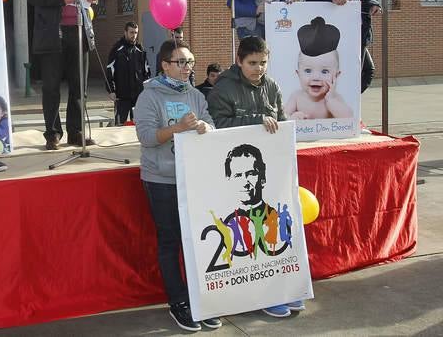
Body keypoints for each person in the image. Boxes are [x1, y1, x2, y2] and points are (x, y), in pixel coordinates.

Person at [207, 36, 306, 317]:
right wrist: (255, 122)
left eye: (263, 62)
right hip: (237, 182)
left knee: (274, 236)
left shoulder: (272, 86)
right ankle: (258, 296)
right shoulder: (223, 89)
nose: (258, 68)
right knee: (248, 239)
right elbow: (217, 125)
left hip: (269, 176)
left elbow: (283, 122)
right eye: (252, 63)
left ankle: (280, 290)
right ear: (239, 61)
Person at [134, 39, 220, 332]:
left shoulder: (195, 95)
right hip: (161, 179)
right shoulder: (149, 97)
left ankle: (199, 298)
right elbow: (146, 137)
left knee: (197, 241)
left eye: (191, 62)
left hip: (192, 176)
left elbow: (211, 124)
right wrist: (178, 128)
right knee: (170, 240)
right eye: (181, 62)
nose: (188, 68)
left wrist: (205, 128)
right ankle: (179, 301)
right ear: (165, 65)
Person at [24, 0, 100, 150]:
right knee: (51, 87)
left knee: (79, 88)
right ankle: (53, 134)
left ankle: (76, 133)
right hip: (52, 32)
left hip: (79, 30)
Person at [285, 17, 353, 119]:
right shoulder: (297, 97)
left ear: (336, 75)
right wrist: (292, 118)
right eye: (308, 70)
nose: (316, 77)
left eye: (325, 71)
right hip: (303, 134)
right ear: (298, 74)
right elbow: (283, 117)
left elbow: (349, 118)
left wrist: (331, 100)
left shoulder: (335, 98)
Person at [105, 22, 150, 124]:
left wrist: (147, 89)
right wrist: (111, 90)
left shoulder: (140, 49)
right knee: (120, 124)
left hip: (138, 94)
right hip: (122, 95)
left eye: (136, 33)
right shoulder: (116, 49)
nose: (134, 35)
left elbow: (146, 71)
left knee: (139, 124)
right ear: (125, 32)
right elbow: (109, 70)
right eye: (131, 32)